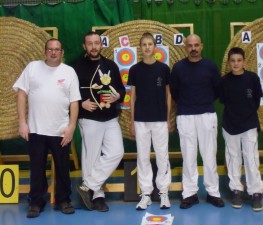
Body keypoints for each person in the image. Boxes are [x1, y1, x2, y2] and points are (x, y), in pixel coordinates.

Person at [13, 38, 81, 218]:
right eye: (50, 49)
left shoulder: (69, 72)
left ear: (62, 52)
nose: (53, 52)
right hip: (35, 129)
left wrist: (71, 127)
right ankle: (36, 202)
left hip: (61, 130)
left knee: (62, 168)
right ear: (45, 52)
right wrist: (22, 122)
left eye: (57, 49)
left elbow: (75, 101)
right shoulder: (32, 68)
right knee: (36, 168)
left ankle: (64, 200)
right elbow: (21, 94)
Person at [170, 34, 224, 209]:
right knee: (189, 156)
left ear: (202, 46)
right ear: (185, 47)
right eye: (190, 46)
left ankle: (213, 193)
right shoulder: (178, 68)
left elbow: (217, 89)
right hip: (185, 115)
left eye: (196, 45)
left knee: (209, 155)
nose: (193, 48)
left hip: (207, 114)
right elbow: (175, 92)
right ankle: (190, 193)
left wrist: (203, 101)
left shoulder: (210, 66)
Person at [73, 31, 125, 212]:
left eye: (97, 43)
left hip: (110, 118)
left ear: (101, 45)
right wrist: (81, 103)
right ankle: (97, 197)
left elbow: (121, 90)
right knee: (91, 158)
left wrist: (118, 95)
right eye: (90, 43)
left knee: (117, 152)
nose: (94, 47)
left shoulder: (110, 65)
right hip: (89, 118)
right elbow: (69, 93)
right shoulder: (76, 66)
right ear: (84, 46)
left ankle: (87, 186)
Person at [128, 32, 172, 210]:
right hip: (141, 121)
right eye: (144, 44)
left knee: (162, 156)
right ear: (140, 48)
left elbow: (168, 95)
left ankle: (164, 193)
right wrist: (132, 121)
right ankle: (145, 194)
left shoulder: (163, 69)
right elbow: (132, 97)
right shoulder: (135, 70)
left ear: (155, 47)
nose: (147, 47)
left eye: (150, 44)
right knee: (143, 157)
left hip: (160, 119)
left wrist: (168, 118)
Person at [219, 47, 263, 211]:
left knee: (251, 159)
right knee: (233, 159)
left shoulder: (253, 78)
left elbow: (256, 102)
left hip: (249, 124)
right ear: (229, 63)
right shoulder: (224, 81)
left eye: (239, 60)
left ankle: (256, 193)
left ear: (244, 61)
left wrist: (247, 116)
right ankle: (236, 190)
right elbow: (223, 100)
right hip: (230, 125)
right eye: (233, 61)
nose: (236, 64)